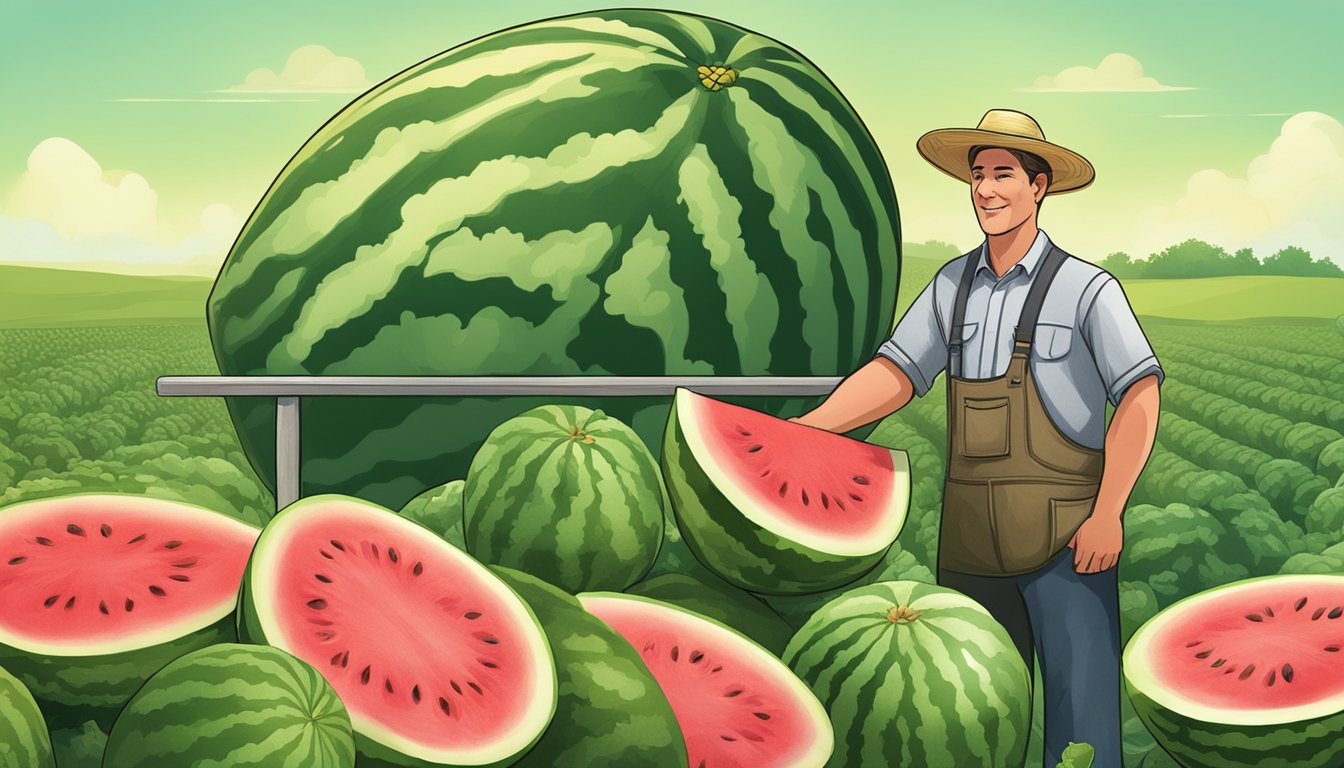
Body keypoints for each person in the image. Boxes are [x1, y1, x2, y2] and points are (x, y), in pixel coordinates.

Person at [791, 108, 1162, 768]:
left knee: (1083, 735)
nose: (985, 191)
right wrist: (806, 431)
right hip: (969, 548)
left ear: (1039, 186)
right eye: (977, 176)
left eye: (1002, 175)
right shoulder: (951, 286)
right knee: (971, 726)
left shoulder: (1085, 289)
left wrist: (1109, 514)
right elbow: (896, 374)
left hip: (1067, 548)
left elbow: (1139, 394)